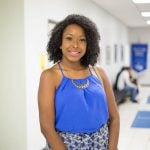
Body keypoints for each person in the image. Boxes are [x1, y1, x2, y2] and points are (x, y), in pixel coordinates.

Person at [38, 14, 120, 150]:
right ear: (59, 42)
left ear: (89, 44)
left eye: (82, 40)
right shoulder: (50, 76)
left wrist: (112, 148)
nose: (75, 45)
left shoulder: (99, 73)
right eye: (69, 38)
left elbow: (115, 118)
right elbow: (46, 127)